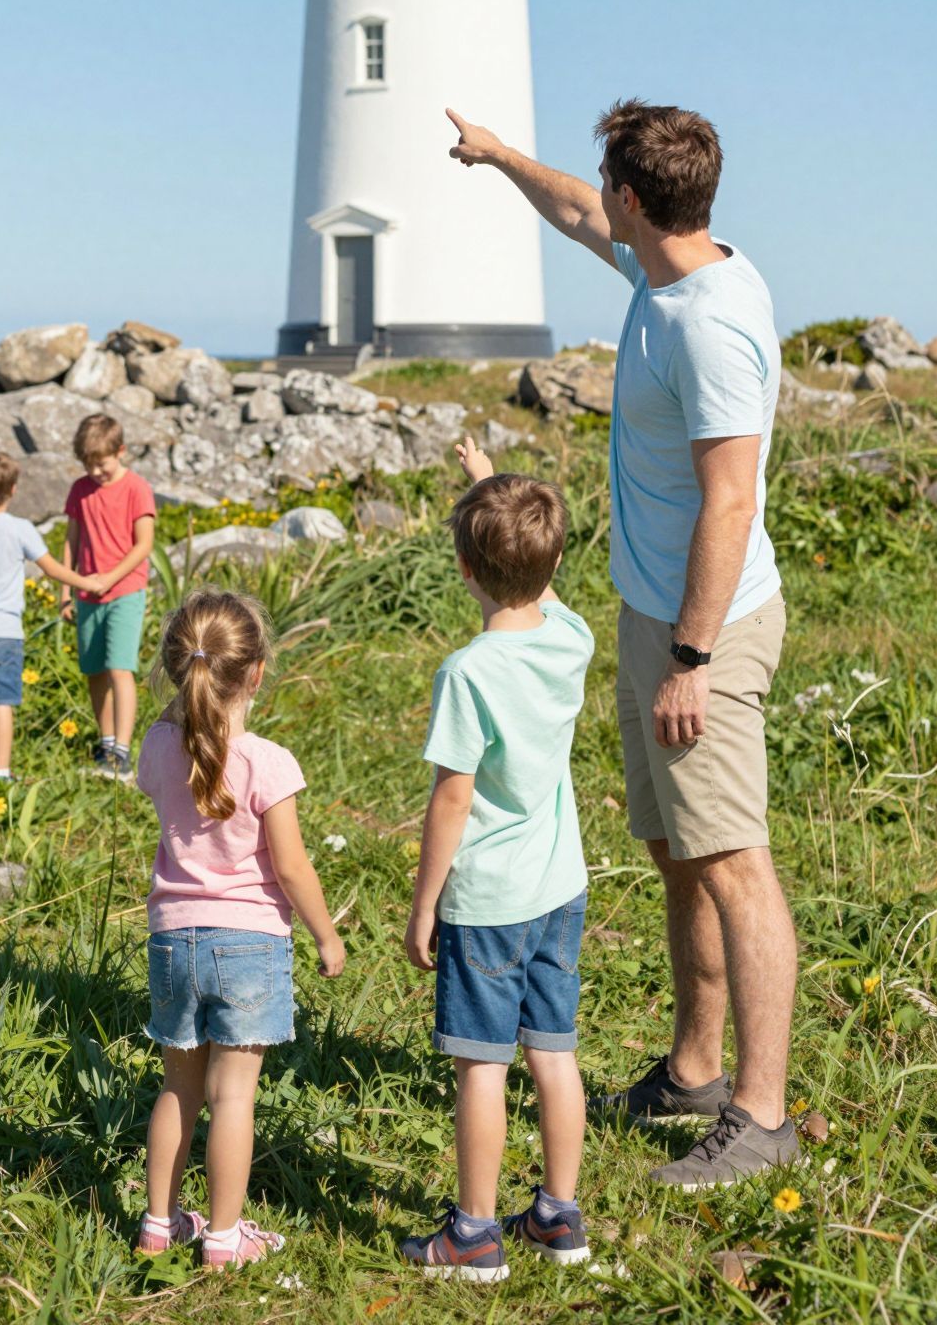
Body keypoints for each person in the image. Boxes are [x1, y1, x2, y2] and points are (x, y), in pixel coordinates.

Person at [446, 97, 799, 1190]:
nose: (599, 201)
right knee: (674, 847)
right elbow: (576, 213)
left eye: (611, 186)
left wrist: (692, 657)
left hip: (710, 625)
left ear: (638, 197)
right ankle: (694, 1066)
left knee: (734, 861)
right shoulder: (664, 264)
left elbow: (730, 501)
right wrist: (502, 156)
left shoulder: (708, 322)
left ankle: (761, 1111)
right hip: (659, 611)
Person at [401, 443, 594, 1282]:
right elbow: (537, 580)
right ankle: (559, 1217)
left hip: (486, 899)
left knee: (481, 1066)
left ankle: (473, 1236)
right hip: (560, 885)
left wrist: (422, 904)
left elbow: (451, 798)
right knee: (554, 1053)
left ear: (463, 569)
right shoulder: (571, 635)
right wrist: (491, 481)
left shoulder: (468, 671)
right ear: (553, 560)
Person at [134, 588, 345, 1269]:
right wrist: (326, 934)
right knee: (233, 1098)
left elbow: (168, 794)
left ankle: (158, 1225)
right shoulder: (268, 762)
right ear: (257, 672)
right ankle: (224, 1239)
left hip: (173, 937)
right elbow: (290, 865)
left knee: (178, 1090)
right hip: (249, 943)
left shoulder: (159, 744)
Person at [0, 450, 105, 786]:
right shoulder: (20, 529)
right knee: (2, 704)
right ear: (13, 489)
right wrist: (88, 582)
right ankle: (0, 772)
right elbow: (52, 568)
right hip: (4, 632)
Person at [61, 413, 156, 782]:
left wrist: (110, 579)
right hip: (87, 594)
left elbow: (144, 543)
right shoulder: (79, 490)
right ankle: (105, 744)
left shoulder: (137, 488)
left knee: (120, 668)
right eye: (89, 465)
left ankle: (122, 752)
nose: (95, 472)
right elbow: (71, 541)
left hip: (125, 590)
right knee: (94, 670)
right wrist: (65, 591)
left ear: (121, 451)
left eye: (101, 463)